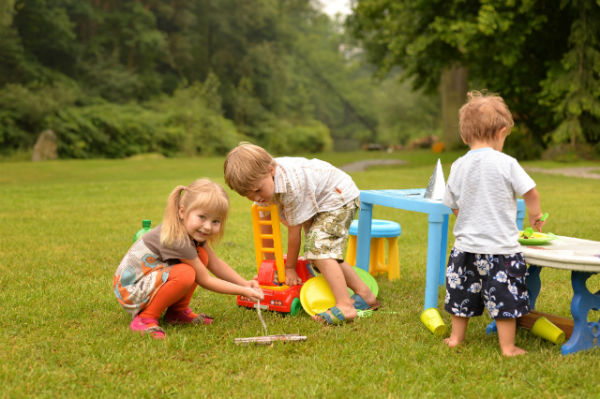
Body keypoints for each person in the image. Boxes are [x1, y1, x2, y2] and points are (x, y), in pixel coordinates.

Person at [224, 142, 380, 325]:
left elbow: (294, 235)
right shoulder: (264, 184)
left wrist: (289, 268)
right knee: (318, 254)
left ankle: (345, 306)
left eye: (258, 190)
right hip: (318, 201)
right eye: (248, 195)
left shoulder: (291, 186)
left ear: (271, 170)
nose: (256, 198)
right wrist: (271, 266)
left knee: (319, 250)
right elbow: (266, 227)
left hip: (338, 196)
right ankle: (365, 295)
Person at [442, 91, 546, 356]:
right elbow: (530, 191)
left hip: (465, 248)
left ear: (465, 137)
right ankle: (507, 346)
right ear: (501, 132)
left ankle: (456, 338)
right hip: (501, 249)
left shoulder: (458, 165)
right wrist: (535, 215)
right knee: (505, 299)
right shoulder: (507, 163)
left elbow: (452, 201)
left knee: (460, 295)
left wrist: (464, 217)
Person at [113, 178, 263, 339]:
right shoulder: (178, 238)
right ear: (182, 212)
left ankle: (177, 313)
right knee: (185, 273)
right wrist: (242, 291)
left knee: (202, 257)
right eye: (202, 217)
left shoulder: (192, 234)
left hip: (147, 281)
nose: (207, 226)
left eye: (215, 221)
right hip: (131, 290)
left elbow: (215, 264)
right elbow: (206, 280)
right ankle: (145, 318)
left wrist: (244, 283)